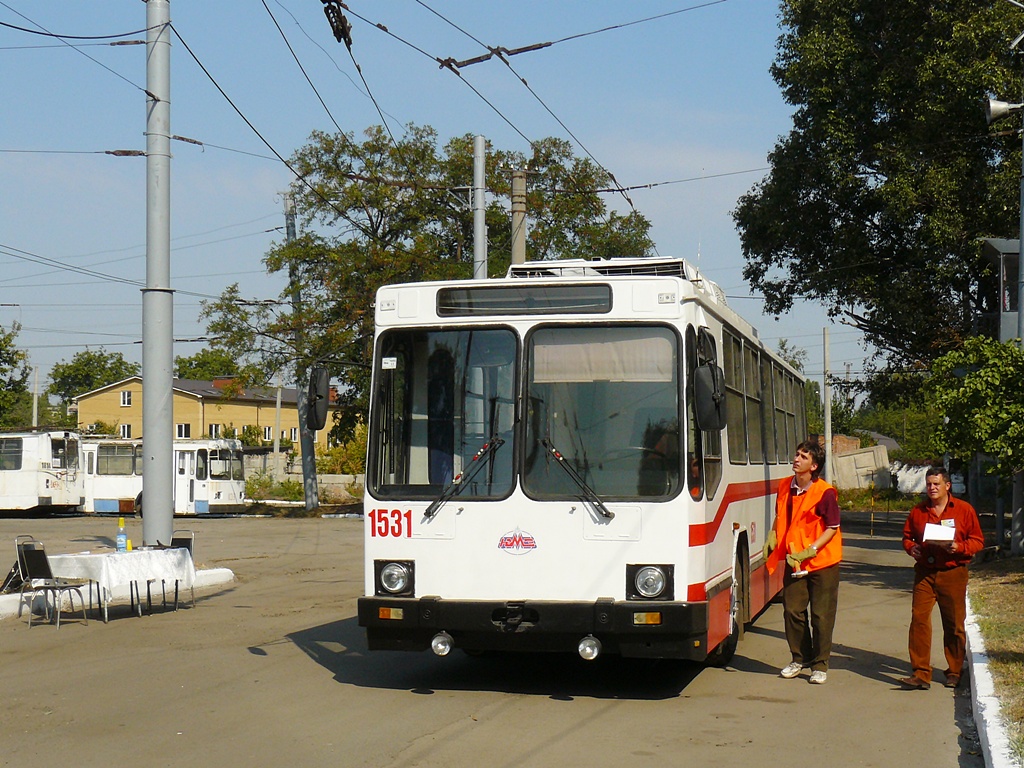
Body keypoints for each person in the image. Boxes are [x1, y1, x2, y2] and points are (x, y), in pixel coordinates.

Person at [763, 439, 842, 684]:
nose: (796, 459)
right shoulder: (784, 486)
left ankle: (820, 665)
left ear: (814, 466)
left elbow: (832, 527)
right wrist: (773, 536)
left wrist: (811, 550)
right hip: (794, 560)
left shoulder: (825, 492)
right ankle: (800, 659)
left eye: (803, 457)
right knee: (792, 611)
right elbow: (781, 515)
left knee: (821, 615)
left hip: (822, 562)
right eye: (797, 454)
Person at [899, 466, 984, 690]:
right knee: (919, 619)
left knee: (954, 624)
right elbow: (907, 537)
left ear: (947, 486)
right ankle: (920, 673)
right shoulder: (918, 511)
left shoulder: (964, 510)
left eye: (936, 484)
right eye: (929, 484)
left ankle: (954, 671)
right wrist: (911, 548)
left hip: (953, 572)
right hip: (925, 573)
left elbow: (978, 540)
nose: (932, 488)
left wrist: (959, 547)